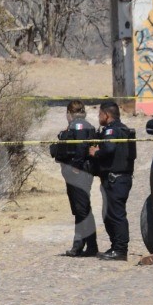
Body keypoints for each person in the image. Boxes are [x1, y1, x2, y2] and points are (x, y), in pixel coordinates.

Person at [88, 98, 136, 261]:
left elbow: (109, 148)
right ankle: (115, 247)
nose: (98, 116)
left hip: (116, 180)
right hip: (118, 179)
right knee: (110, 214)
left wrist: (96, 152)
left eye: (100, 113)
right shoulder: (122, 129)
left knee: (116, 215)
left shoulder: (111, 131)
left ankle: (120, 250)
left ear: (107, 115)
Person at [50, 99, 99, 257]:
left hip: (79, 172)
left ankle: (79, 245)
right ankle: (91, 245)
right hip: (80, 171)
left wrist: (76, 166)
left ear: (70, 113)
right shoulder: (85, 126)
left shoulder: (78, 127)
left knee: (81, 209)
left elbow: (81, 146)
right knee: (83, 208)